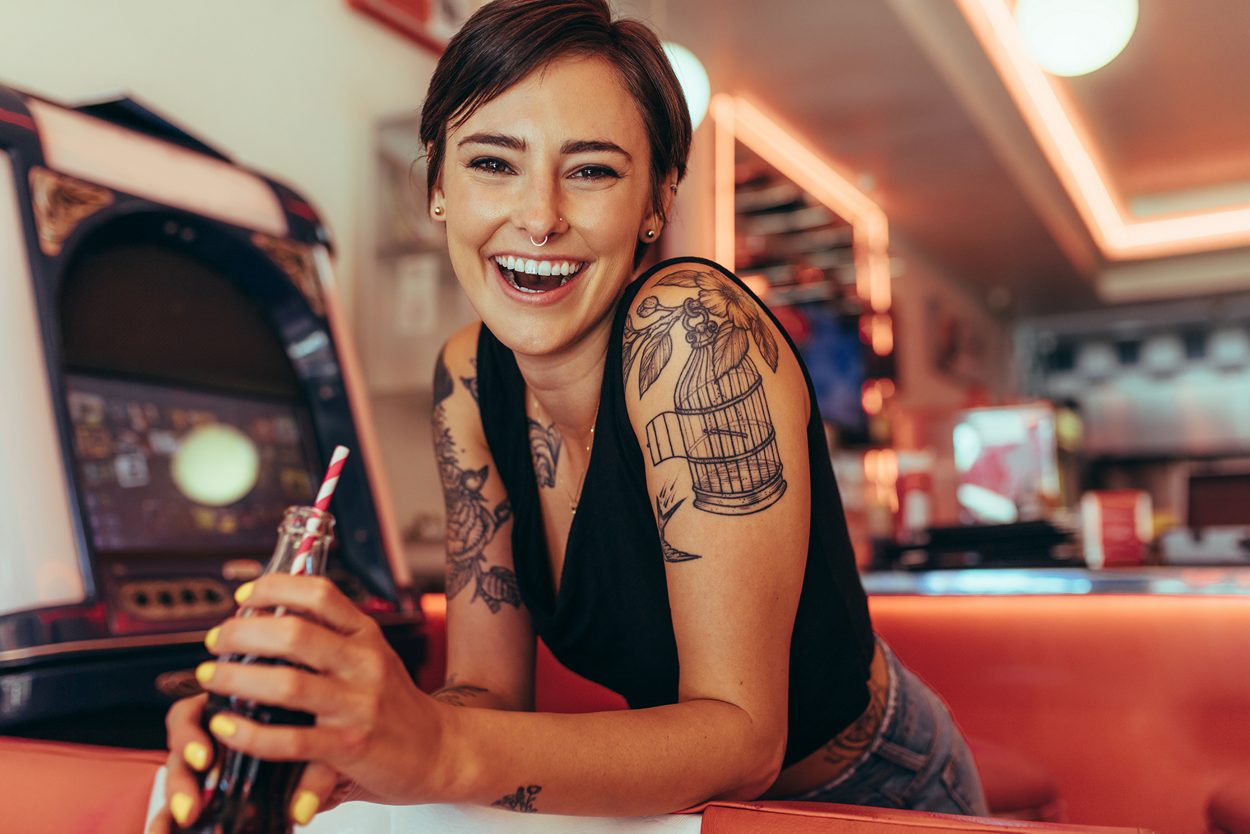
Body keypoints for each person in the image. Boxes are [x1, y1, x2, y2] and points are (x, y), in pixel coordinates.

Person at [153, 0, 987, 828]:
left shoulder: (690, 333)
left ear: (655, 203)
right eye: (491, 163)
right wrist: (343, 745)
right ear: (437, 185)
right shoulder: (468, 383)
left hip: (871, 794)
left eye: (592, 170)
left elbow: (744, 739)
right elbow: (487, 695)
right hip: (687, 815)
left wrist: (436, 747)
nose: (540, 216)